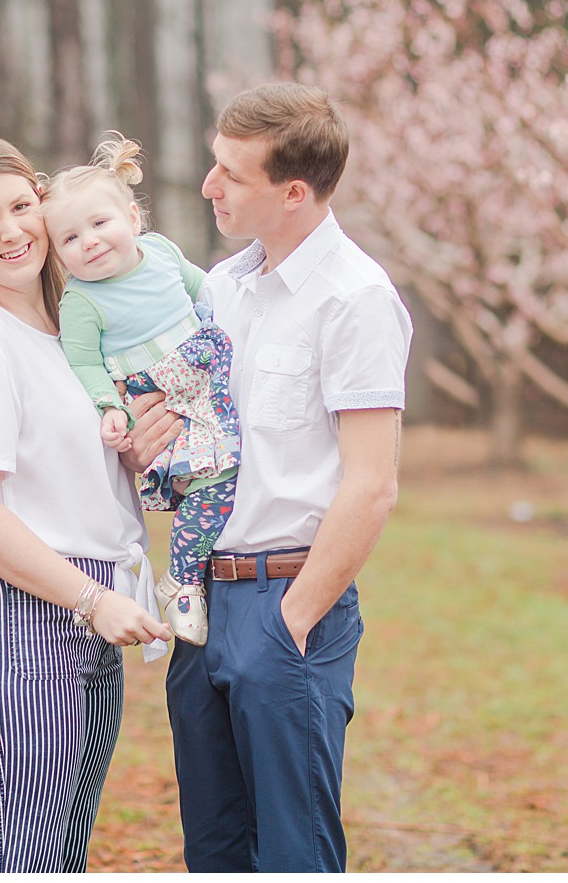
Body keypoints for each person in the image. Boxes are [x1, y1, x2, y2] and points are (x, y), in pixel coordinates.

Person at [130, 83, 412, 872]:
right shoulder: (222, 288)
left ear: (294, 192)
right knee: (214, 848)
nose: (209, 186)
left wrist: (293, 619)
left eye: (231, 174)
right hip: (201, 599)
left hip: (286, 601)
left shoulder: (355, 301)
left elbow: (372, 484)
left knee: (294, 853)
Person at [0, 132, 174, 873]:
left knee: (58, 860)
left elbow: (69, 479)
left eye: (22, 206)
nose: (13, 230)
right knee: (20, 862)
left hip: (84, 621)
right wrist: (90, 600)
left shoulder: (62, 336)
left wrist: (137, 454)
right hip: (17, 628)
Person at [41, 133, 242, 646]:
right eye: (68, 239)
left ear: (133, 219)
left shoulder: (161, 253)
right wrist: (109, 404)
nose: (87, 241)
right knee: (214, 476)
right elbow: (83, 362)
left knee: (222, 480)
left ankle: (190, 574)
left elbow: (208, 292)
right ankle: (183, 579)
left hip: (202, 384)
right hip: (154, 393)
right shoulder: (82, 303)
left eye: (99, 223)